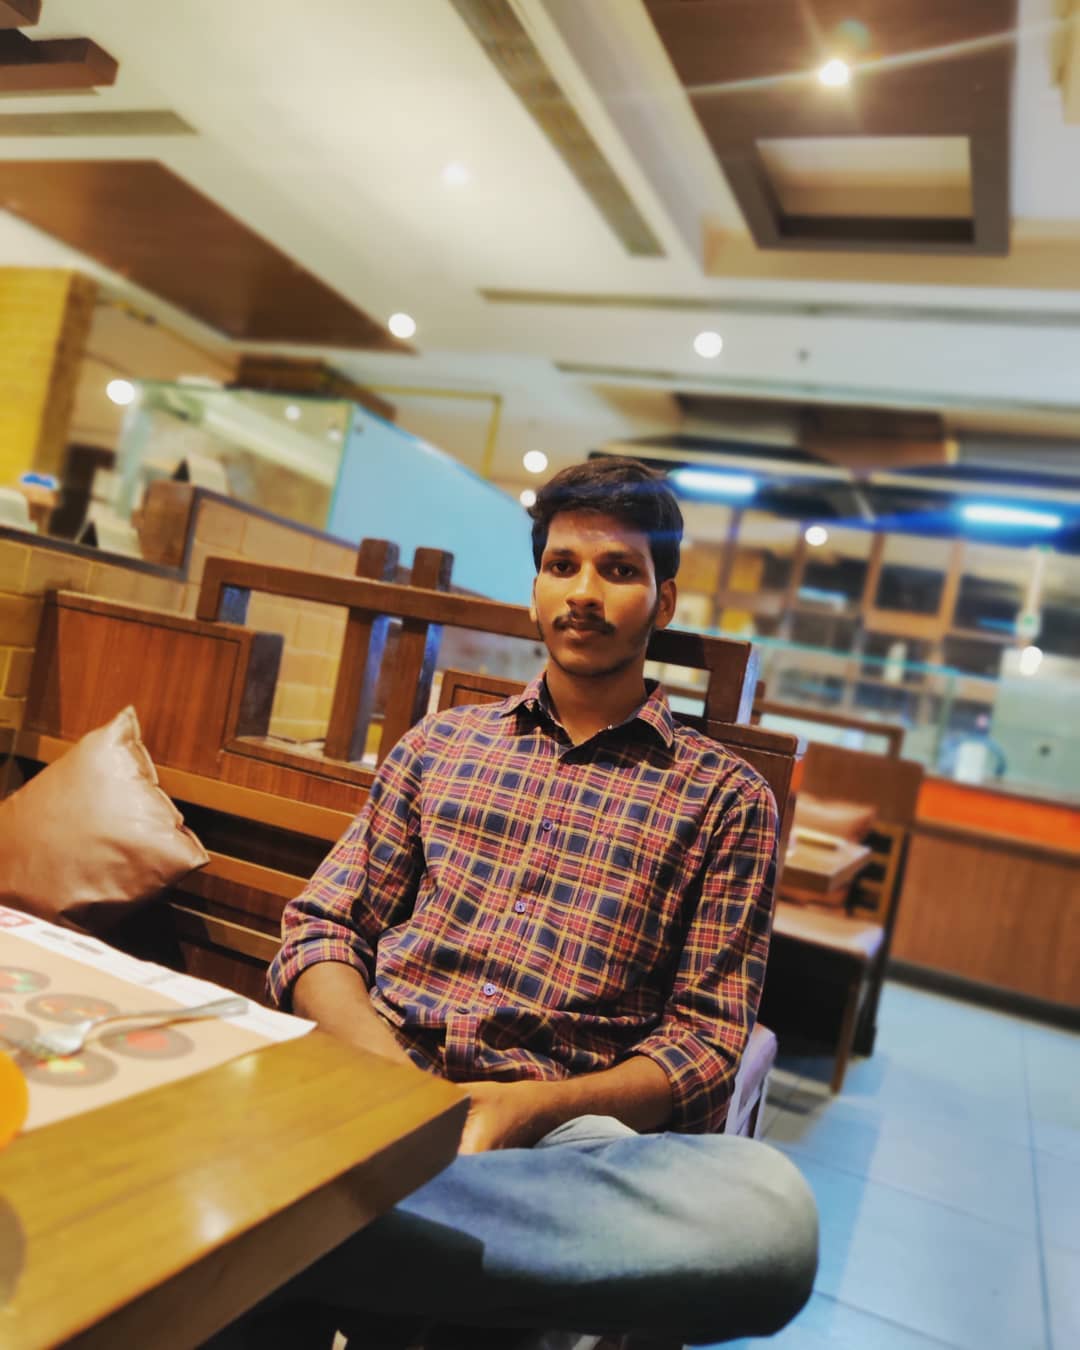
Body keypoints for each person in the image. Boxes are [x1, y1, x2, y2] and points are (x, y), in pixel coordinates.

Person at [223, 458, 817, 1349]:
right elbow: (322, 928)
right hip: (376, 1079)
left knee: (772, 1225)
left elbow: (703, 1044)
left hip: (556, 1142)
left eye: (618, 570)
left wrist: (520, 1111)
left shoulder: (725, 798)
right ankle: (381, 1233)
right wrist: (394, 1086)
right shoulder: (440, 745)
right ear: (535, 587)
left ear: (663, 601)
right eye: (562, 565)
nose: (584, 592)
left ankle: (306, 1228)